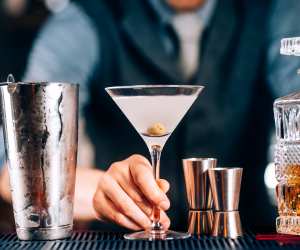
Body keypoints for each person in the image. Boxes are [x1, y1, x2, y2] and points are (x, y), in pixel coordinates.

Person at [1, 0, 300, 231]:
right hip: (120, 241)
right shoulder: (87, 17)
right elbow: (15, 168)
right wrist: (100, 192)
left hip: (245, 237)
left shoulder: (276, 10)